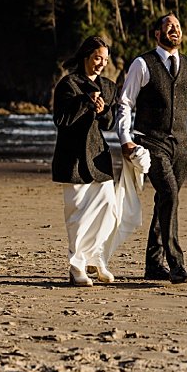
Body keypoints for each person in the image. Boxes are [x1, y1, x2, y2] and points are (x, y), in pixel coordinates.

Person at [116, 13, 187, 284]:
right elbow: (125, 103)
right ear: (157, 34)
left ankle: (153, 264)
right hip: (151, 141)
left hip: (182, 146)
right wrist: (126, 139)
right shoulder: (143, 63)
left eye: (177, 26)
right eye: (169, 26)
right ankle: (176, 263)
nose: (174, 30)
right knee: (170, 195)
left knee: (165, 200)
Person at [51, 35, 118, 287]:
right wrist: (85, 102)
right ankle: (76, 266)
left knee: (108, 210)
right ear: (86, 57)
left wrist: (102, 111)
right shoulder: (68, 85)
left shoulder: (109, 86)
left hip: (98, 156)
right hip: (73, 157)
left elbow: (110, 123)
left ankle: (96, 259)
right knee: (78, 215)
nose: (101, 63)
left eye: (105, 59)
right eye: (97, 58)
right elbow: (62, 120)